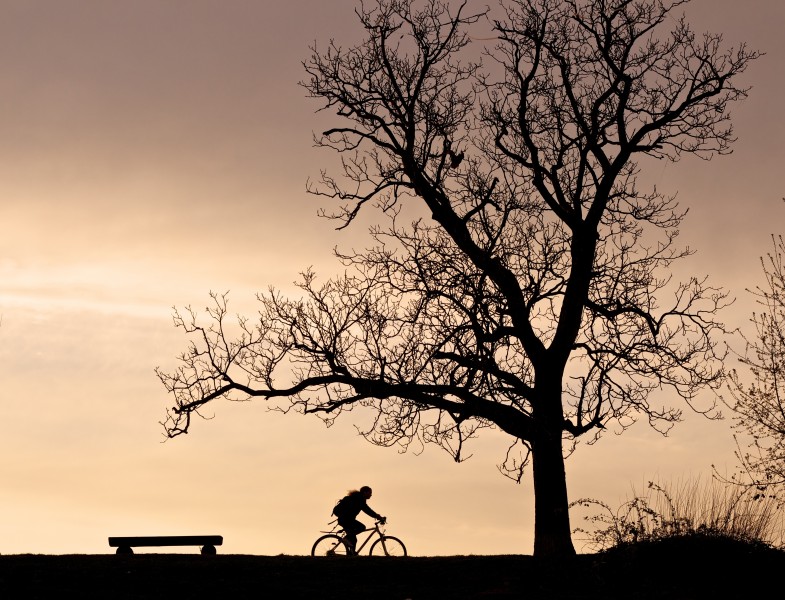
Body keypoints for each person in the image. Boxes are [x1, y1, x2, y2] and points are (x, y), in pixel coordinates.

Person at [332, 485, 386, 555]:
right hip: (346, 520)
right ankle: (346, 539)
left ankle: (351, 553)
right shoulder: (359, 499)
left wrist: (377, 516)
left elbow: (367, 509)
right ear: (364, 492)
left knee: (353, 539)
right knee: (361, 527)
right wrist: (378, 516)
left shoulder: (358, 498)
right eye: (370, 493)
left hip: (345, 520)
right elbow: (367, 510)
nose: (371, 495)